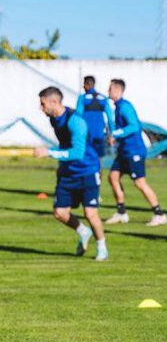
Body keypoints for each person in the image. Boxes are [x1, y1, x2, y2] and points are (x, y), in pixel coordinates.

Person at [33, 86, 108, 261]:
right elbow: (65, 145)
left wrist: (50, 152)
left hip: (87, 171)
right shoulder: (54, 119)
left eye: (43, 104)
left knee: (90, 213)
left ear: (54, 102)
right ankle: (83, 231)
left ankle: (102, 247)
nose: (40, 108)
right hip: (68, 173)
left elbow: (77, 152)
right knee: (60, 212)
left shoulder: (75, 121)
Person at [104, 79, 165, 227]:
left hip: (134, 151)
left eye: (110, 88)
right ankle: (121, 213)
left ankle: (159, 214)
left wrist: (116, 133)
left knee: (140, 183)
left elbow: (134, 126)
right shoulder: (117, 107)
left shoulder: (125, 107)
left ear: (118, 91)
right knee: (113, 177)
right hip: (124, 151)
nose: (108, 91)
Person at [75, 75, 114, 166]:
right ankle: (98, 178)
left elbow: (78, 117)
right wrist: (112, 133)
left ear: (87, 85)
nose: (83, 87)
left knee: (85, 157)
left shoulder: (82, 98)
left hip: (85, 134)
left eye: (84, 84)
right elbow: (110, 118)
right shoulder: (103, 98)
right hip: (99, 134)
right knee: (98, 158)